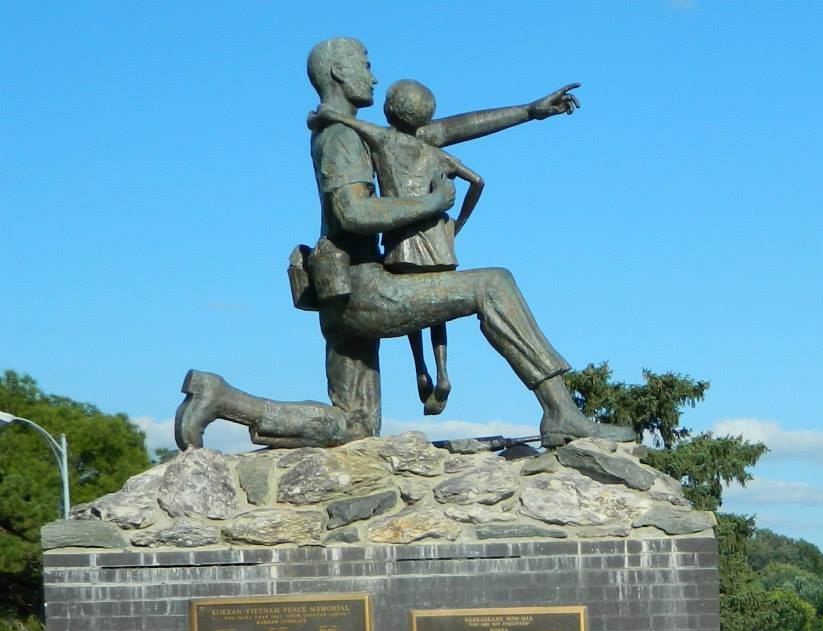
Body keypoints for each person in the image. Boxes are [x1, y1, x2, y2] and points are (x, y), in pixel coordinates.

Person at [175, 37, 631, 450]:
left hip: (343, 293)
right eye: (365, 65)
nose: (373, 77)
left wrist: (529, 111)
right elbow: (352, 213)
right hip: (363, 287)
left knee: (353, 426)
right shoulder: (340, 137)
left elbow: (444, 132)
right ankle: (560, 410)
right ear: (338, 72)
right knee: (493, 284)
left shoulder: (350, 131)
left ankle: (222, 398)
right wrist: (433, 203)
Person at [315, 78, 488, 414]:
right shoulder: (437, 154)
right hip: (439, 241)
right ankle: (442, 373)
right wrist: (458, 223)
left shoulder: (384, 141)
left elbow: (355, 124)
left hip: (403, 243)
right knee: (438, 311)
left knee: (416, 311)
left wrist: (328, 115)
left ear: (390, 110)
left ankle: (420, 369)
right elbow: (478, 181)